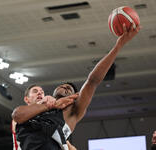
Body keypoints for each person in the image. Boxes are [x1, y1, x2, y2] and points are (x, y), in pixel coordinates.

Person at [12, 23, 140, 150]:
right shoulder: (35, 110)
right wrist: (48, 105)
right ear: (53, 93)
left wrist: (119, 45)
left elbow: (92, 81)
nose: (67, 87)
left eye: (70, 90)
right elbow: (17, 115)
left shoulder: (72, 112)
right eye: (63, 86)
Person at [11, 85, 78, 150]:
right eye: (35, 91)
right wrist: (46, 104)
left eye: (42, 92)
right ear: (27, 99)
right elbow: (17, 116)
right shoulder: (21, 116)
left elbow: (63, 141)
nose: (39, 93)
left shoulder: (47, 118)